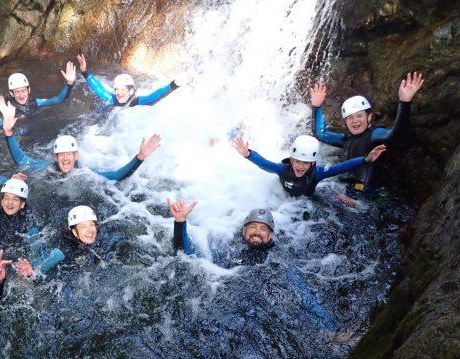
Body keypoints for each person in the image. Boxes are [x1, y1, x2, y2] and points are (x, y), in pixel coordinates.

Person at [309, 72, 424, 196]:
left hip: (370, 197)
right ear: (346, 122)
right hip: (348, 190)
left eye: (359, 116)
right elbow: (321, 134)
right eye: (350, 118)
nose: (355, 121)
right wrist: (317, 106)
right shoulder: (346, 139)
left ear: (369, 116)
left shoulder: (376, 134)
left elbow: (396, 134)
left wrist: (405, 103)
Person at [0, 97, 161, 181]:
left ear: (76, 156)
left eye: (69, 154)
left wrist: (140, 157)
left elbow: (117, 176)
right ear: (55, 157)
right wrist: (8, 131)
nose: (66, 157)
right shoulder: (47, 168)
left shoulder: (86, 174)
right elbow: (21, 160)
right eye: (61, 154)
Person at [0, 177, 65, 277]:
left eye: (15, 199)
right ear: (2, 201)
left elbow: (38, 254)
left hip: (17, 261)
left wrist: (31, 274)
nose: (10, 202)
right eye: (7, 198)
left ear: (22, 204)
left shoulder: (30, 225)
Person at [231, 135, 386, 198]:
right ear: (290, 160)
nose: (300, 166)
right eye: (297, 161)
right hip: (283, 201)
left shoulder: (317, 173)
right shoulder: (282, 169)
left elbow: (340, 167)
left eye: (305, 163)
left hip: (309, 201)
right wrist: (248, 154)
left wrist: (365, 160)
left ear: (312, 163)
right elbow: (265, 165)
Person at [169, 199, 275, 266]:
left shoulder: (275, 257)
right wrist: (180, 222)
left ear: (270, 235)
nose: (257, 232)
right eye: (253, 227)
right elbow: (187, 257)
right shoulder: (228, 246)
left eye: (263, 229)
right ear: (244, 231)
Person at [76, 53, 179, 108]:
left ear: (130, 91)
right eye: (117, 89)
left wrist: (173, 85)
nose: (119, 93)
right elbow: (99, 88)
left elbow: (154, 96)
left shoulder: (136, 102)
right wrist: (84, 72)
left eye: (122, 89)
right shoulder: (112, 99)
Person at [3, 62, 76, 118]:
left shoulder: (37, 103)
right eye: (17, 92)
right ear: (11, 93)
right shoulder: (7, 110)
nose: (21, 96)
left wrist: (69, 83)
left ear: (29, 90)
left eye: (23, 91)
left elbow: (58, 99)